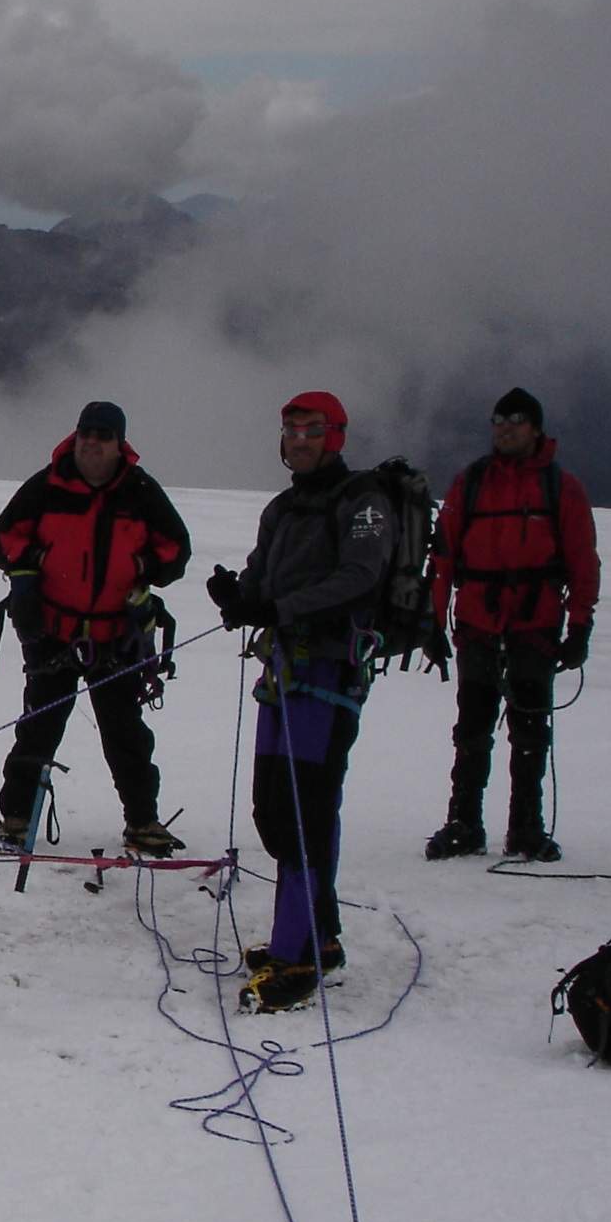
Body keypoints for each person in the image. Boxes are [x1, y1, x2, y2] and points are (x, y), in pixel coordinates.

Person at [205, 392, 394, 1013]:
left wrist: (276, 608)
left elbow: (360, 576)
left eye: (313, 429)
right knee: (275, 811)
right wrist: (238, 597)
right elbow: (263, 578)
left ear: (335, 436)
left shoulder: (363, 499)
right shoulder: (282, 509)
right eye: (291, 429)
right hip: (284, 673)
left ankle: (299, 953)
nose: (301, 439)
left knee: (303, 814)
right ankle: (320, 937)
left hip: (328, 674)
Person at [0, 400, 194, 856]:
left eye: (103, 436)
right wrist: (30, 569)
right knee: (38, 727)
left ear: (120, 445)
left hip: (119, 635)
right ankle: (16, 820)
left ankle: (142, 822)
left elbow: (177, 551)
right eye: (86, 434)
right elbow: (2, 537)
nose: (92, 443)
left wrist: (141, 566)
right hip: (51, 631)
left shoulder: (139, 490)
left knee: (126, 735)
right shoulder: (48, 484)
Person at [422, 388, 601, 862]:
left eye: (516, 420)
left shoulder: (562, 488)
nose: (505, 428)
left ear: (536, 428)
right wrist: (433, 623)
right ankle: (465, 823)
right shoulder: (472, 482)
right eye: (499, 419)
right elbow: (442, 556)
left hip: (534, 623)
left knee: (530, 729)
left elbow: (584, 562)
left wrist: (579, 627)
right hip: (478, 621)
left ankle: (526, 827)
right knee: (473, 729)